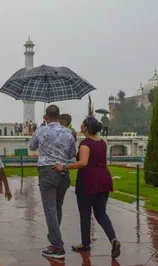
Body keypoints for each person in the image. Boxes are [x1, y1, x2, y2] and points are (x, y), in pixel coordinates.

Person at [53, 117, 121, 259]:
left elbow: (83, 162)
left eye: (83, 124)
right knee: (101, 213)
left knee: (85, 214)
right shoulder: (102, 142)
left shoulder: (85, 143)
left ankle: (85, 244)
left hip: (89, 180)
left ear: (86, 128)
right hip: (104, 178)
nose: (81, 125)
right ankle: (113, 239)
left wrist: (64, 166)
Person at [28, 105, 76, 259]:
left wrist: (42, 126)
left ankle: (57, 246)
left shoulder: (41, 130)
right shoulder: (68, 132)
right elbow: (72, 153)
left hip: (47, 172)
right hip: (63, 172)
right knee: (57, 207)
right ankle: (55, 238)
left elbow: (32, 147)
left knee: (50, 209)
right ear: (59, 115)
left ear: (45, 116)